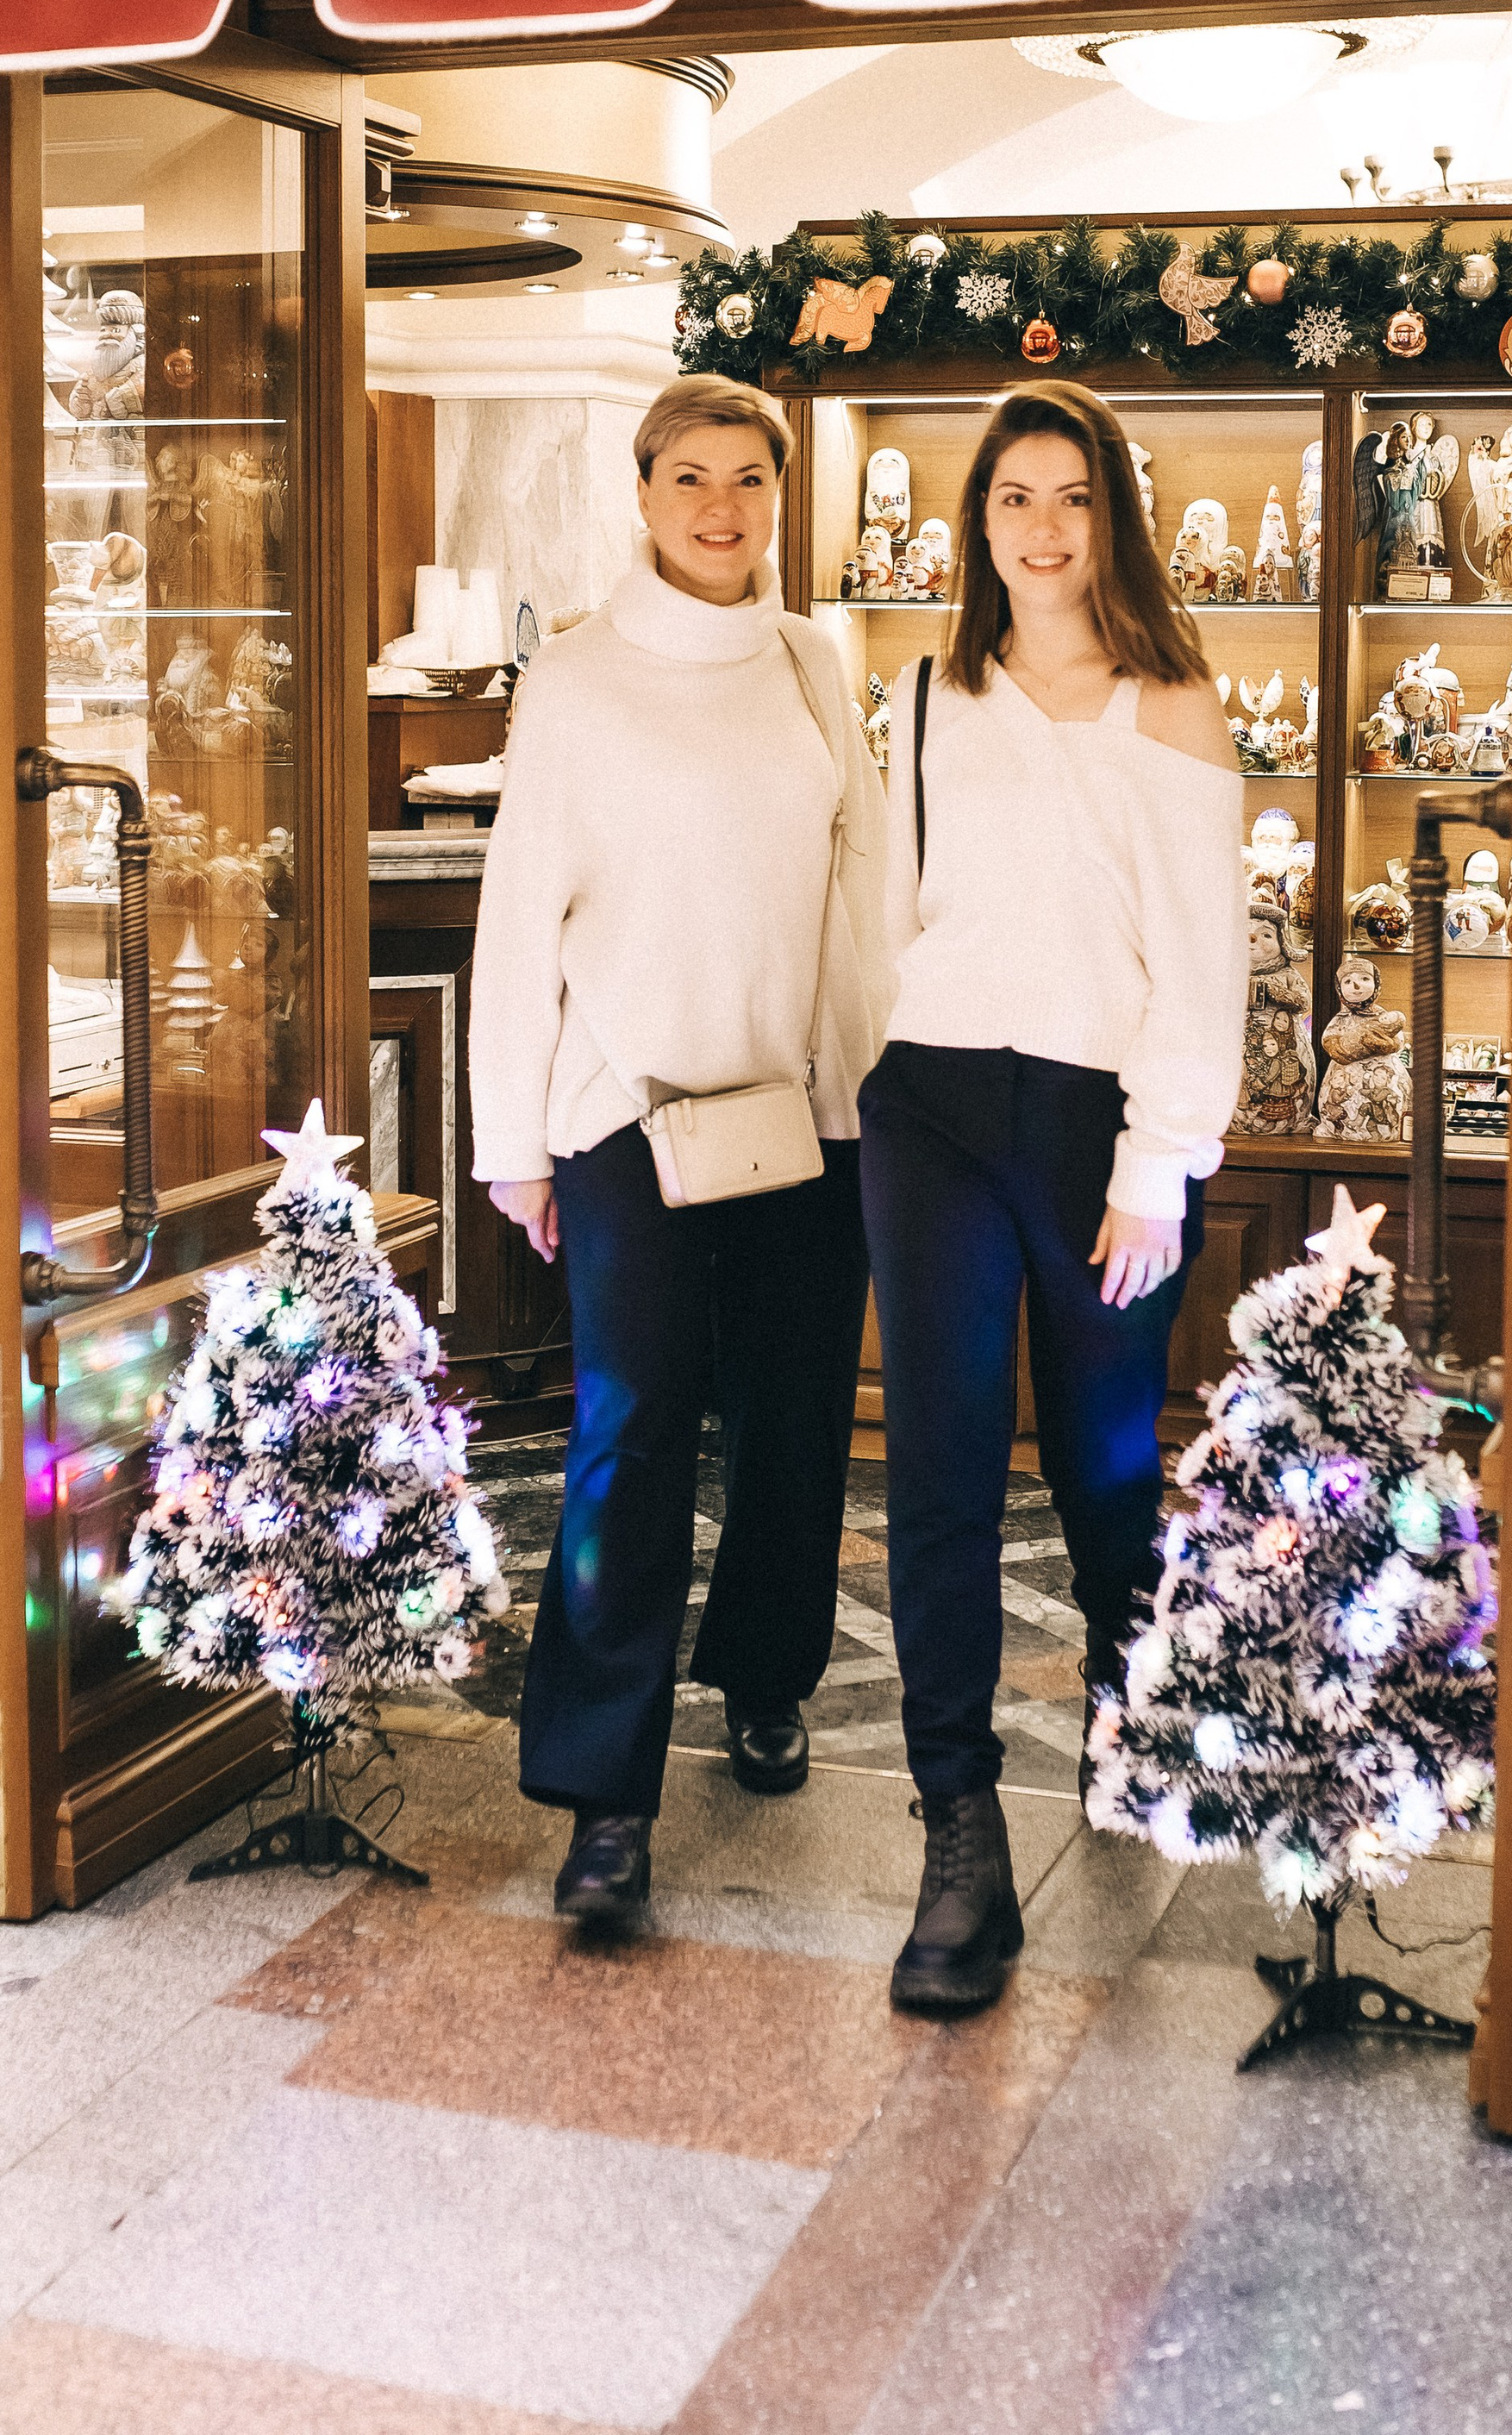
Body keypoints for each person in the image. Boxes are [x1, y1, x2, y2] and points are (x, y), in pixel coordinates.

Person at [470, 373, 891, 1934]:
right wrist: (514, 1140)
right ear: (642, 497)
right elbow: (522, 923)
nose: (723, 509)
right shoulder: (574, 682)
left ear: (779, 502)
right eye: (692, 478)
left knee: (791, 1428)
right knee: (628, 1442)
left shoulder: (810, 660)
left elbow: (859, 890)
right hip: (622, 1121)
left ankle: (768, 1680)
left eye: (750, 483)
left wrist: (870, 1088)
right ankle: (604, 1797)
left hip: (800, 1109)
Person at [860, 383, 1244, 2014]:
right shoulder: (929, 696)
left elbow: (1207, 965)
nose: (1041, 526)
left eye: (1070, 496)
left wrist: (1161, 1161)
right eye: (1013, 497)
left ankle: (1126, 1710)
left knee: (1101, 1470)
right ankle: (960, 1838)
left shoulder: (1172, 706)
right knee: (940, 1469)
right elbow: (892, 913)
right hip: (933, 1106)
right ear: (979, 525)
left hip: (1103, 1130)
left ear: (1111, 518)